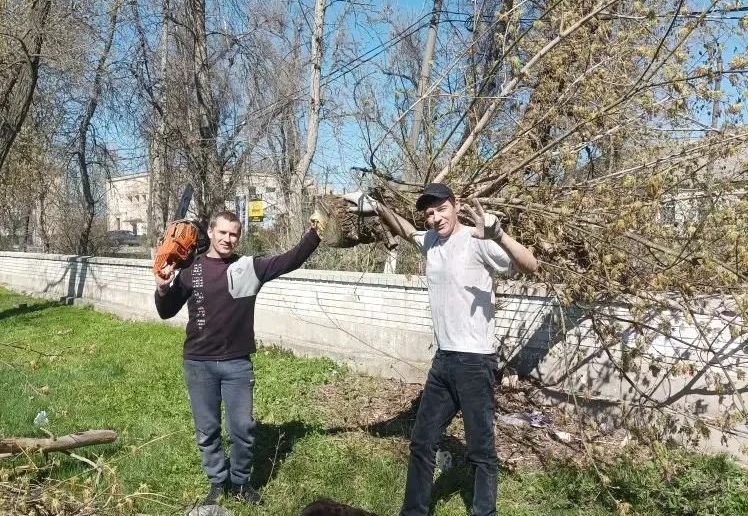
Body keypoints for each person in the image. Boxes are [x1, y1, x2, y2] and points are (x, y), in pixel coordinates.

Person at [352, 183, 538, 516]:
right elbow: (406, 231)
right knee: (422, 442)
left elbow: (531, 265)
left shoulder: (477, 239)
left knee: (480, 450)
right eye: (429, 213)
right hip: (443, 361)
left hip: (475, 362)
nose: (435, 218)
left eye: (441, 209)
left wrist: (499, 235)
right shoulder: (431, 242)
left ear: (456, 206)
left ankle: (484, 512)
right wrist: (378, 206)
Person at [154, 211, 322, 506]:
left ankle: (241, 483)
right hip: (198, 363)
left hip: (237, 364)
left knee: (242, 429)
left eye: (233, 234)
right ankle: (218, 482)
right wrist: (162, 287)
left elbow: (291, 259)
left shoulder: (249, 267)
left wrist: (316, 234)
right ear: (211, 232)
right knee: (207, 431)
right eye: (222, 232)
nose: (227, 239)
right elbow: (166, 311)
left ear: (239, 237)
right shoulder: (191, 268)